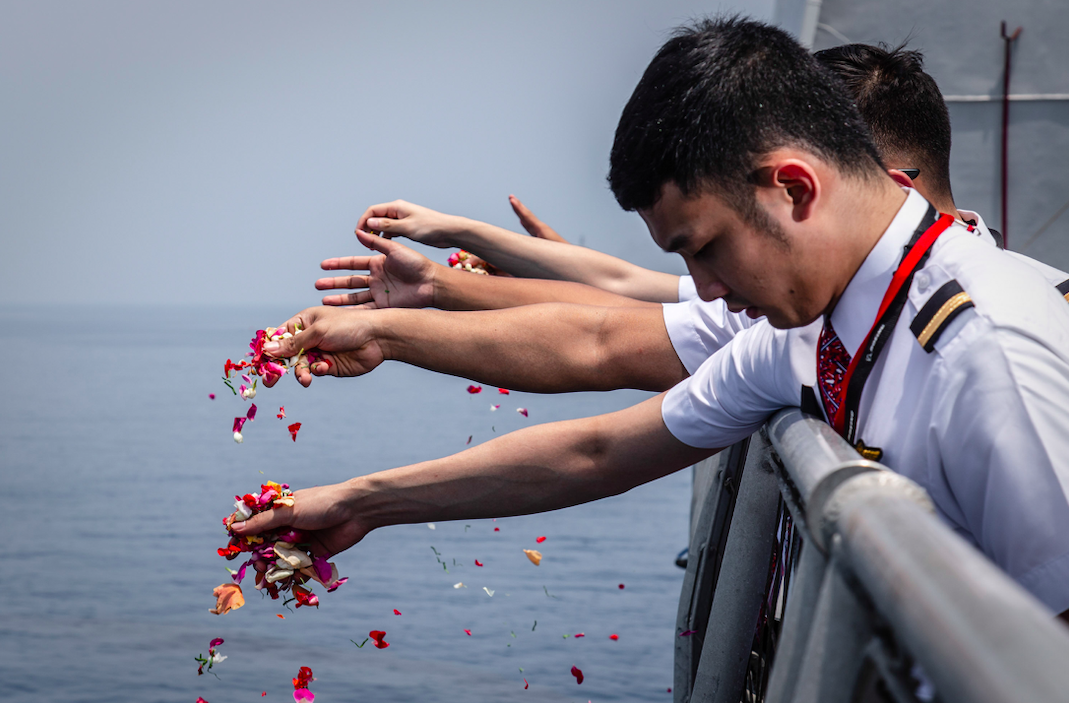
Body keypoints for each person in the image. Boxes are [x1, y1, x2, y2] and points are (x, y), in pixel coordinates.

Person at [235, 18, 1069, 618]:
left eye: (704, 248)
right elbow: (598, 446)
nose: (700, 290)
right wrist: (362, 501)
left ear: (794, 188)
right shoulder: (807, 331)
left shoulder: (984, 350)